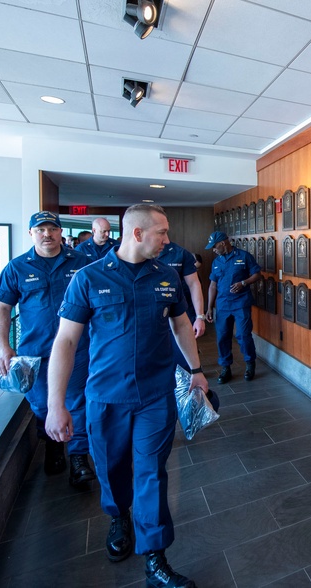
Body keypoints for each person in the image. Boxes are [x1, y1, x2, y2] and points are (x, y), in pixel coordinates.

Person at [45, 204, 207, 587]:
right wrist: (56, 404)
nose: (168, 240)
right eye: (161, 233)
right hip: (106, 397)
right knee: (113, 469)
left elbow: (182, 324)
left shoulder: (166, 276)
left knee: (151, 471)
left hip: (155, 395)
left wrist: (197, 371)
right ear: (136, 233)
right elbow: (66, 341)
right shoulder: (88, 278)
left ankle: (155, 556)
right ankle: (118, 516)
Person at [0, 211, 94, 486]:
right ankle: (53, 446)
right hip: (35, 353)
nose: (46, 234)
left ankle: (78, 457)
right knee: (40, 405)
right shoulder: (16, 268)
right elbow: (1, 308)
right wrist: (3, 346)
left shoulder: (82, 263)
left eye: (52, 228)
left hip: (77, 349)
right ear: (31, 234)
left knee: (77, 403)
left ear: (60, 232)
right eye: (40, 229)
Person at [205, 231, 262, 383]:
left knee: (243, 335)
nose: (213, 250)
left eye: (215, 246)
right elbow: (212, 285)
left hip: (241, 303)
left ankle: (250, 363)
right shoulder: (216, 262)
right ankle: (225, 368)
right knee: (222, 337)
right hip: (223, 304)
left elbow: (257, 274)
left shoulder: (243, 256)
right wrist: (209, 307)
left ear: (223, 243)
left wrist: (244, 282)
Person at [157, 240, 208, 374]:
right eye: (161, 232)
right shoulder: (137, 253)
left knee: (183, 357)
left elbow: (194, 285)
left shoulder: (180, 253)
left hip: (180, 312)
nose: (166, 239)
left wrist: (200, 316)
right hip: (152, 316)